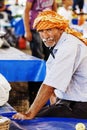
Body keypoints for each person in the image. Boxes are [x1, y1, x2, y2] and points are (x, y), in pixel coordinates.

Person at [13, 10, 87, 119]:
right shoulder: (59, 44)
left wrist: (29, 114)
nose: (45, 35)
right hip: (68, 101)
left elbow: (50, 85)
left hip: (80, 105)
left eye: (49, 30)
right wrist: (54, 101)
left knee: (25, 121)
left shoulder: (69, 46)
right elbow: (52, 82)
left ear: (60, 29)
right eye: (41, 31)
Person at [23, 0, 57, 106]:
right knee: (37, 59)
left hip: (50, 28)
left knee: (51, 58)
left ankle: (49, 88)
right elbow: (26, 11)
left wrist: (56, 27)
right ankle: (35, 92)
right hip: (36, 28)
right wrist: (27, 30)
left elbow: (54, 10)